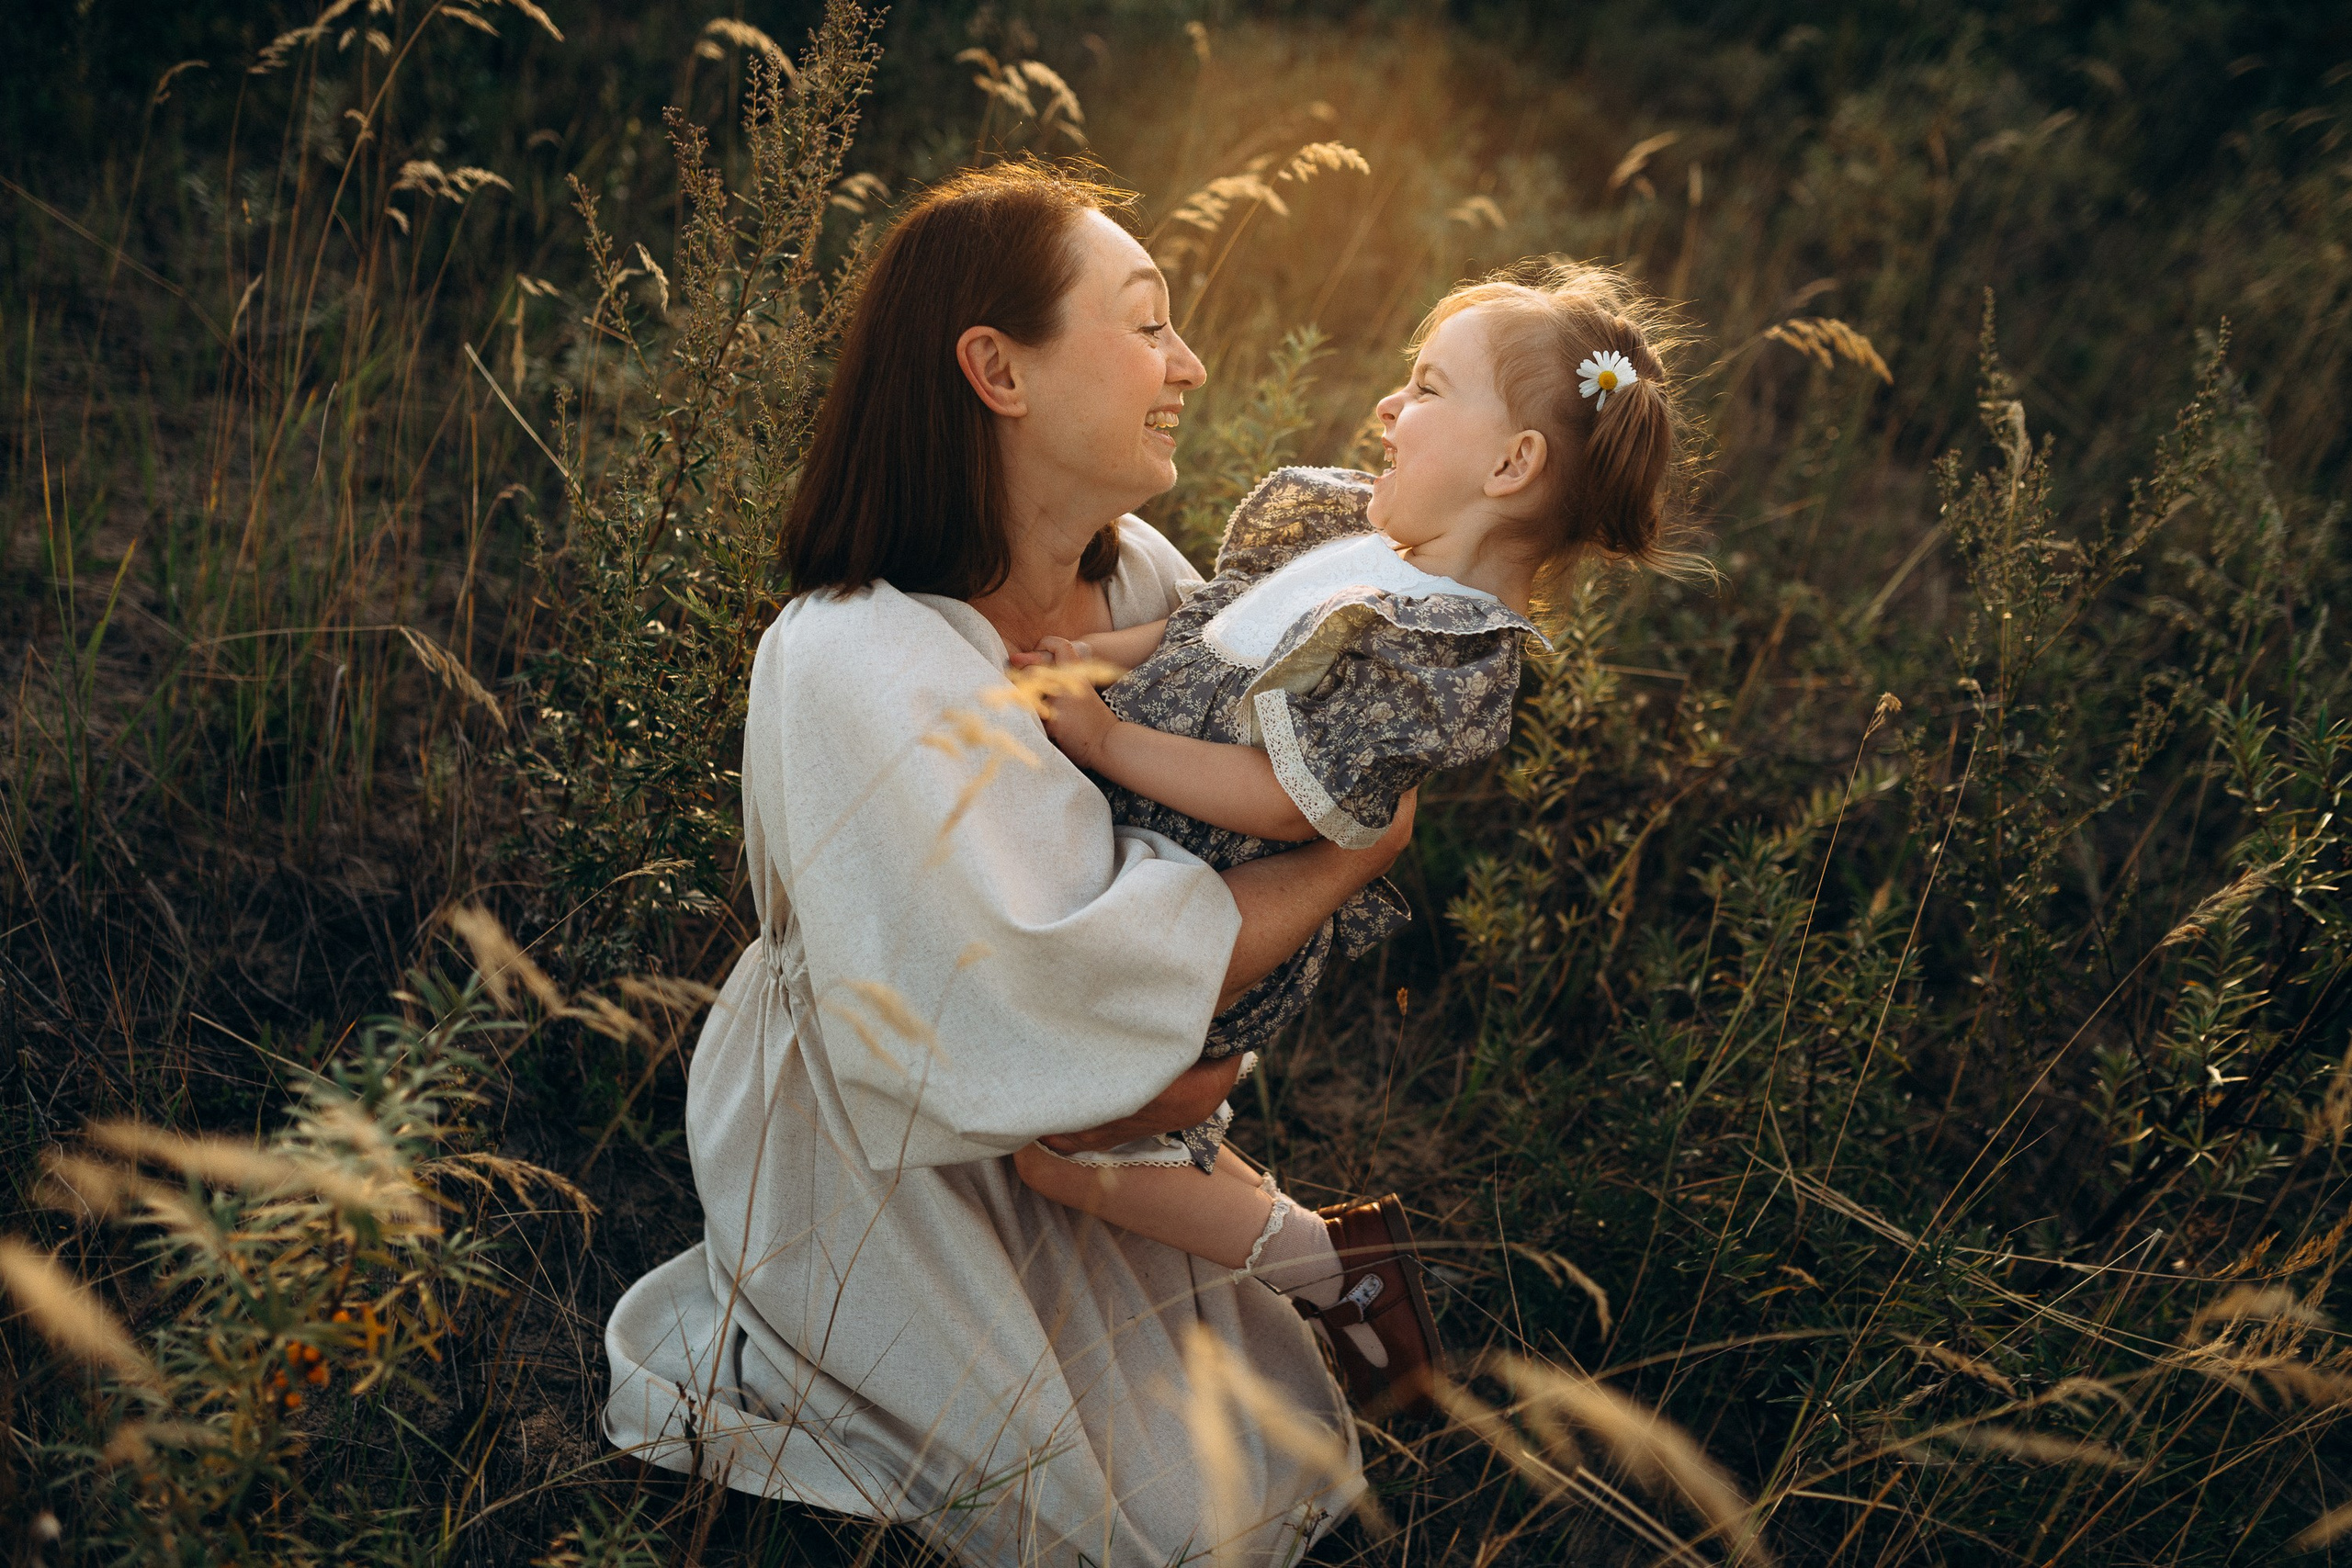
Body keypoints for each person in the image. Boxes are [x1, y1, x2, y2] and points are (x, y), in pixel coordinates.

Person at [601, 162, 1409, 1568]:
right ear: (997, 368)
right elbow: (1035, 983)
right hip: (908, 1131)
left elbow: (1200, 870)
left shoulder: (1147, 582)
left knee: (1249, 1487)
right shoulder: (854, 655)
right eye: (1146, 321)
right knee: (1090, 1512)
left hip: (1103, 1116)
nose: (1189, 362)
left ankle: (1282, 1268)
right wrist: (1356, 851)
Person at [1007, 263, 1687, 1413]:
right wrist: (1075, 667)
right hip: (1154, 878)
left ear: (1511, 465)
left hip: (1206, 924)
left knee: (1054, 1148)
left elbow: (1286, 801)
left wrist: (1107, 741)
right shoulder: (1353, 542)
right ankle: (1291, 1243)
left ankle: (1343, 1273)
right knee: (1124, 1137)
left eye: (1424, 388)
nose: (1385, 407)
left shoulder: (1440, 647)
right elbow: (1202, 633)